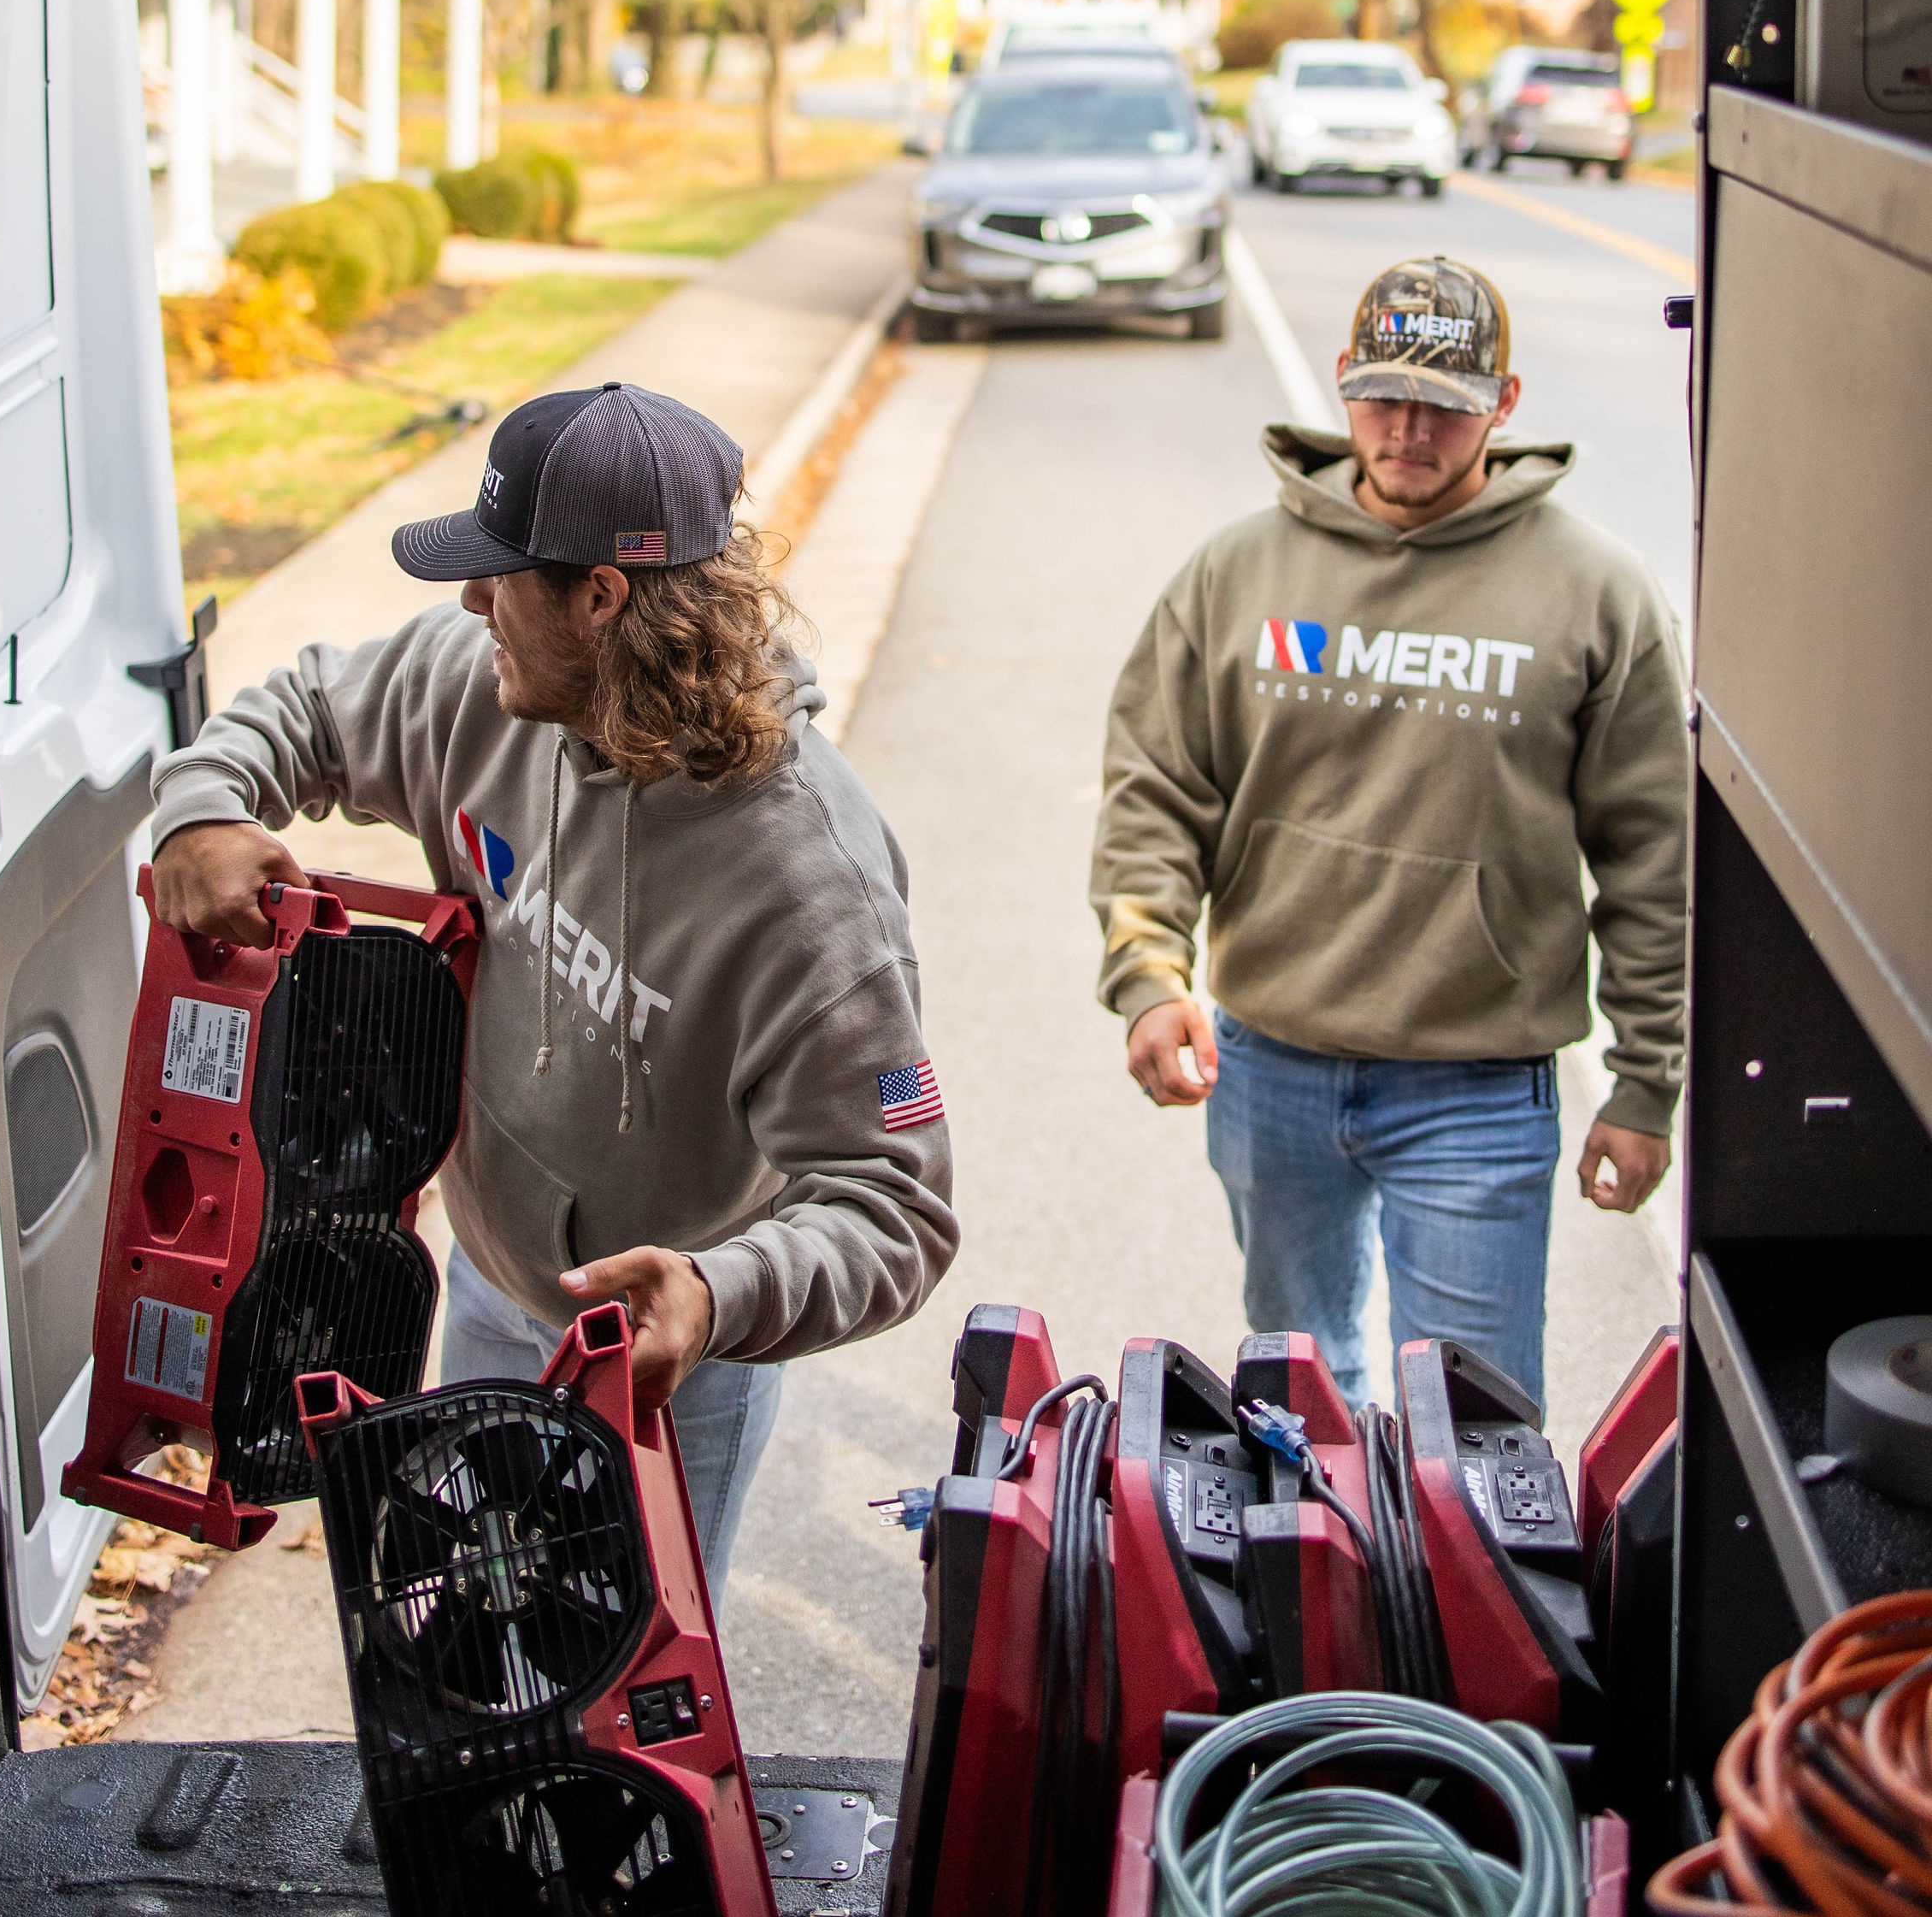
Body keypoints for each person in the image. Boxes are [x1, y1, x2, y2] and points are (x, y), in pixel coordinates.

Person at [149, 379, 957, 1602]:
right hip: (487, 1285)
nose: (470, 600)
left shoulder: (813, 892)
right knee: (456, 1634)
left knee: (622, 1680)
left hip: (664, 1364)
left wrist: (717, 1292)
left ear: (601, 596)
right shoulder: (480, 688)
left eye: (501, 575)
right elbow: (308, 706)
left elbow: (897, 1203)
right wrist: (203, 807)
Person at [1089, 254, 1687, 1416]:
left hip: (1477, 1088)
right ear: (1343, 383)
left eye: (1445, 405)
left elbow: (1652, 859)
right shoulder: (1237, 572)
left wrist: (1644, 1084)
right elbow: (1156, 788)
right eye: (1383, 397)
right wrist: (1149, 975)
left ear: (1504, 404)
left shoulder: (1597, 594)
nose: (1409, 429)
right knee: (1302, 1402)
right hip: (1269, 1070)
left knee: (1473, 1435)